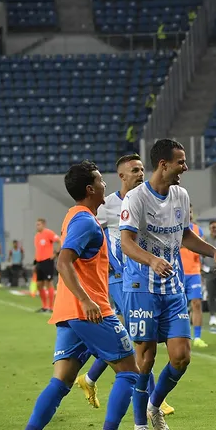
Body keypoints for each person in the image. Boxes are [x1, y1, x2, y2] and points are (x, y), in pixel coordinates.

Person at [9, 161, 140, 430]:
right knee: (130, 371)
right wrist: (87, 300)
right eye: (101, 181)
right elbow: (63, 262)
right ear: (90, 189)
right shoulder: (85, 222)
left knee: (62, 380)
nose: (105, 185)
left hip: (69, 313)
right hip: (90, 311)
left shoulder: (74, 216)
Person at [120, 139, 216, 430]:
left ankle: (154, 405)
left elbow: (185, 235)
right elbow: (126, 243)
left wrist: (214, 252)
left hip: (172, 286)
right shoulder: (136, 198)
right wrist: (152, 260)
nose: (185, 167)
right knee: (146, 358)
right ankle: (139, 426)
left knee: (181, 357)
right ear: (163, 164)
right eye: (180, 162)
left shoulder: (181, 195)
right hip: (141, 286)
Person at [76, 153, 148, 411]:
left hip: (142, 276)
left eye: (142, 169)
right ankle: (149, 397)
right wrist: (105, 263)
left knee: (129, 333)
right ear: (122, 176)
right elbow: (94, 234)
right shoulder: (108, 205)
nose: (141, 174)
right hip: (118, 276)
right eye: (135, 170)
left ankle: (89, 378)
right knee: (138, 335)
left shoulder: (147, 201)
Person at [180, 208, 207, 348]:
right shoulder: (173, 228)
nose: (188, 214)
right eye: (186, 211)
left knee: (196, 303)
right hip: (177, 272)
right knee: (177, 306)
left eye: (190, 211)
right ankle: (175, 336)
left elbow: (203, 247)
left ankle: (197, 337)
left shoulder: (198, 230)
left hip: (194, 273)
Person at [33, 218, 61, 313]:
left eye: (39, 224)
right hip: (39, 262)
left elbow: (59, 241)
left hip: (47, 261)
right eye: (37, 225)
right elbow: (38, 250)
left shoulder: (48, 233)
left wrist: (56, 253)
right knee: (39, 285)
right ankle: (44, 306)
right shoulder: (37, 236)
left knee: (48, 283)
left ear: (44, 225)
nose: (37, 226)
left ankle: (51, 307)